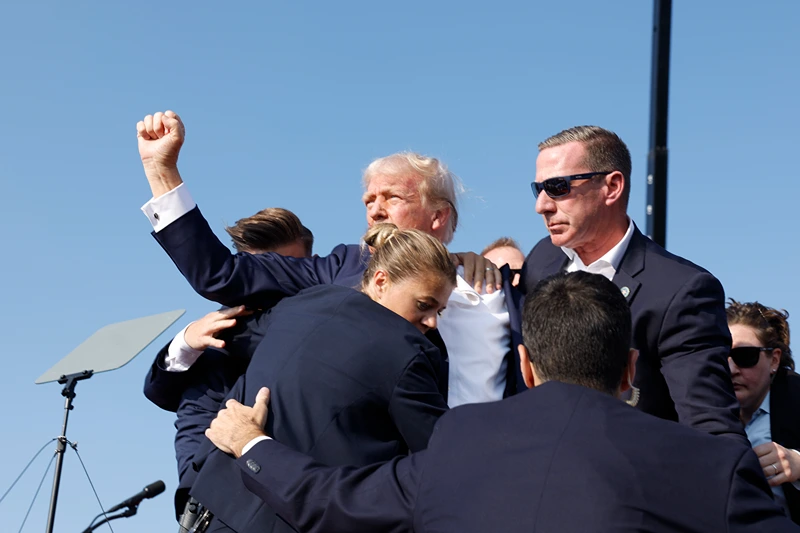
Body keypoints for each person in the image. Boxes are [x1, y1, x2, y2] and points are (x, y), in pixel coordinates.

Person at [205, 271, 796, 533]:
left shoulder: (461, 443)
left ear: (526, 366)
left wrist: (252, 445)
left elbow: (334, 501)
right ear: (631, 369)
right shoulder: (712, 466)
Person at [135, 110, 525, 409]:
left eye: (392, 198)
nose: (375, 211)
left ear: (437, 215)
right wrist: (161, 171)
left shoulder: (497, 291)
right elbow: (220, 275)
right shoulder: (339, 268)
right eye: (369, 201)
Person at [188, 223, 456, 533]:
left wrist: (186, 339)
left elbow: (232, 337)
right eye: (424, 305)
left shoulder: (305, 302)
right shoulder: (410, 353)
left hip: (215, 509)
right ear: (381, 280)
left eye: (441, 310)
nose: (432, 321)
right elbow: (444, 461)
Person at [523, 125, 744, 440]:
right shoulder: (541, 261)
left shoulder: (681, 292)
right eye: (539, 188)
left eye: (558, 187)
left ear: (612, 187)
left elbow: (712, 432)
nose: (541, 205)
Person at [142, 207, 313, 515]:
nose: (272, 284)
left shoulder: (324, 326)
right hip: (211, 503)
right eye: (261, 271)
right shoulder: (220, 333)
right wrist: (186, 342)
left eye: (286, 271)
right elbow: (159, 392)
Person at [727, 299, 800, 523]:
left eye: (745, 356)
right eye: (720, 356)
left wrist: (798, 464)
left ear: (774, 360)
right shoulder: (692, 404)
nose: (731, 369)